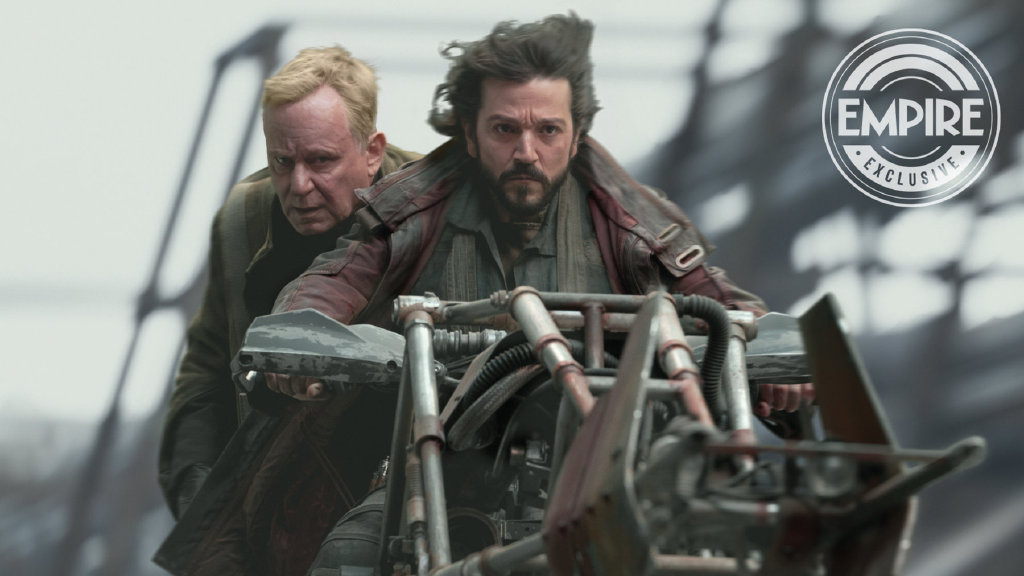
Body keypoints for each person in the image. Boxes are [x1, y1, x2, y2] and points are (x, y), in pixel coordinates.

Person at [264, 13, 807, 573]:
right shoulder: (412, 213)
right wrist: (300, 338)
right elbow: (335, 280)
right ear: (470, 133)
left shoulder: (631, 223)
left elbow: (724, 305)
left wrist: (780, 369)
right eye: (505, 130)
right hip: (447, 472)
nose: (526, 151)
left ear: (575, 136)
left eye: (547, 130)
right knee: (349, 558)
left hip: (615, 471)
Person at [157, 44, 420, 525]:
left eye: (321, 161)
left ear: (372, 152)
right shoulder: (244, 219)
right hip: (280, 498)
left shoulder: (436, 208)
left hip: (406, 495)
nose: (299, 186)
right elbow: (205, 377)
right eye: (281, 161)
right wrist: (198, 496)